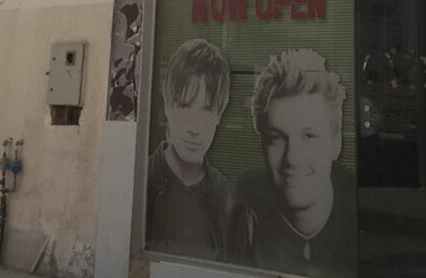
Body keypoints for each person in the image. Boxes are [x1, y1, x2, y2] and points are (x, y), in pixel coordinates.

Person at [232, 48, 356, 277]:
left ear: (336, 141)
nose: (292, 157)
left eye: (308, 136)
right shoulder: (241, 204)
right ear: (262, 144)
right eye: (277, 138)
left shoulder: (359, 209)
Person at [146, 38, 238, 261]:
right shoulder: (138, 184)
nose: (194, 128)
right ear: (167, 105)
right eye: (185, 106)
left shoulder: (233, 204)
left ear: (219, 115)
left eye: (206, 110)